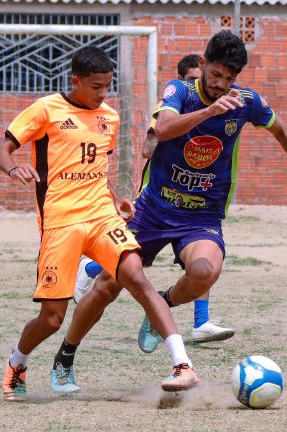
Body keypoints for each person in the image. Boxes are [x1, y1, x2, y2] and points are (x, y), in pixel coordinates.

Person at [59, 30, 287, 372]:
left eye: (230, 79)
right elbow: (166, 128)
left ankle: (160, 308)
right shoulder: (180, 91)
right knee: (109, 284)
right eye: (215, 75)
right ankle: (66, 355)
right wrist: (210, 111)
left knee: (205, 272)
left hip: (202, 216)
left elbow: (281, 129)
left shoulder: (245, 101)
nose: (221, 84)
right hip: (154, 209)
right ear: (202, 65)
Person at [0, 46, 199, 402]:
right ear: (76, 81)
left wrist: (115, 196)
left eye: (107, 87)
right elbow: (0, 150)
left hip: (101, 216)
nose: (103, 94)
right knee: (52, 319)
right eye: (96, 87)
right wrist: (14, 167)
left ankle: (182, 364)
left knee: (136, 276)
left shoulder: (110, 117)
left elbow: (93, 167)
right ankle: (17, 361)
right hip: (60, 222)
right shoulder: (46, 110)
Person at [74, 53, 235, 344]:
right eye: (191, 80)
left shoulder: (221, 106)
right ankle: (90, 266)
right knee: (127, 264)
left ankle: (201, 321)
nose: (198, 85)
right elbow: (150, 146)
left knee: (202, 262)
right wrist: (184, 131)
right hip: (159, 196)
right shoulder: (170, 105)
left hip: (198, 203)